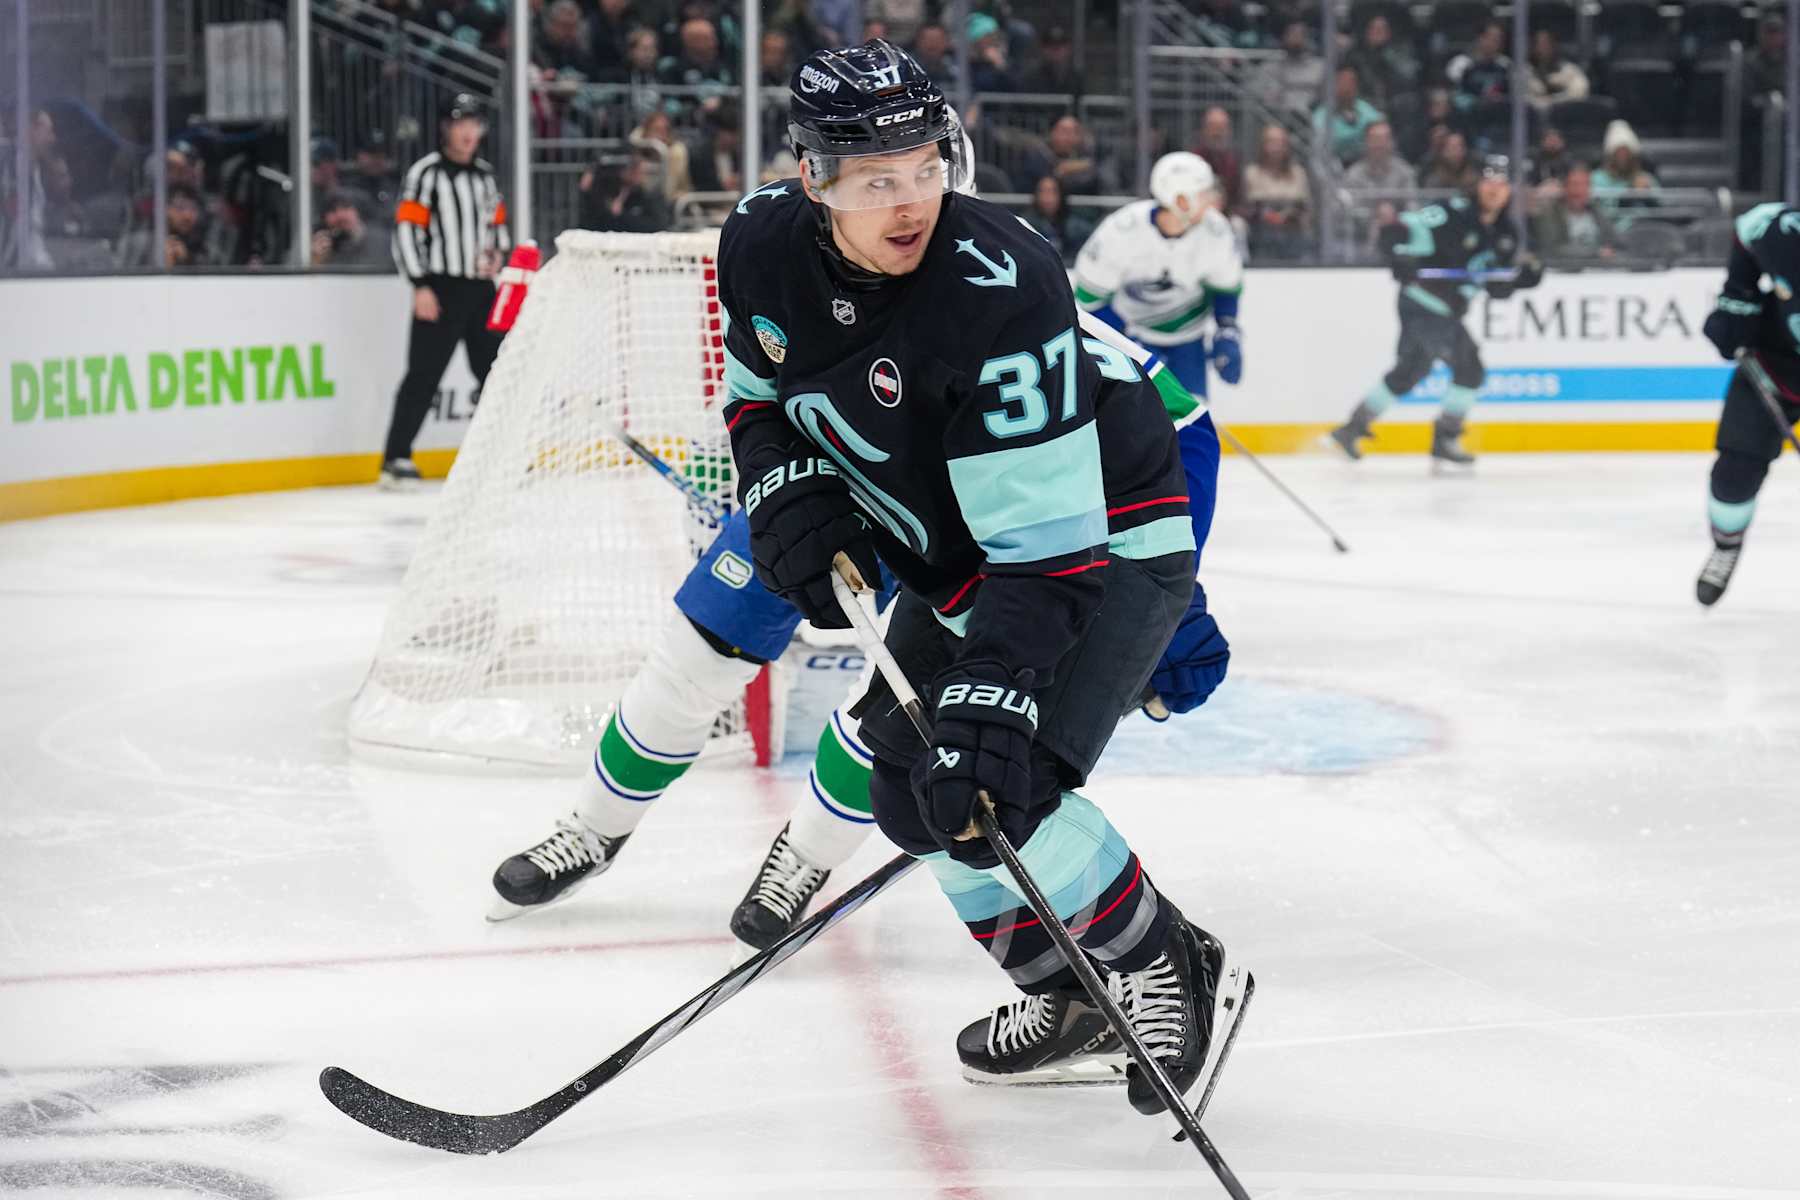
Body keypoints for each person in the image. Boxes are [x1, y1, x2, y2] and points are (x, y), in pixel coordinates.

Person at [490, 50, 1237, 1092]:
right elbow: (756, 399)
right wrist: (788, 482)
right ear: (813, 178)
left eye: (926, 167)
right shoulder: (757, 242)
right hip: (959, 550)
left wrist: (990, 700)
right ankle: (1064, 994)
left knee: (996, 787)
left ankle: (1171, 962)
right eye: (877, 178)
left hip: (1100, 543)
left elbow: (1051, 555)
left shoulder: (1002, 286)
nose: (911, 200)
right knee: (905, 788)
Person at [1328, 158, 1543, 467]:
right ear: (1478, 184)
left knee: (1413, 369)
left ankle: (1354, 427)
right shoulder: (1451, 211)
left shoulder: (1505, 232)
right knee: (1469, 368)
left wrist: (1520, 280)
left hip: (1448, 311)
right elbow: (1399, 228)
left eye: (1502, 184)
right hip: (1422, 303)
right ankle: (1445, 436)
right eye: (1488, 182)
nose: (1494, 190)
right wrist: (1399, 255)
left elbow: (1496, 286)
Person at [384, 93, 511, 489]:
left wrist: (496, 257)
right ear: (445, 128)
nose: (470, 132)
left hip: (480, 289)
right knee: (424, 374)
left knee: (497, 372)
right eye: (461, 124)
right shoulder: (426, 174)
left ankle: (498, 454)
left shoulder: (485, 176)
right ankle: (396, 457)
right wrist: (420, 284)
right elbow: (407, 231)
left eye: (475, 124)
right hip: (440, 287)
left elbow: (497, 229)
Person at [1074, 152, 1245, 409]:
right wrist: (1129, 343)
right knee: (1134, 421)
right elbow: (1089, 299)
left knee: (1190, 421)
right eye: (1204, 194)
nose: (1212, 201)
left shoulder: (1216, 231)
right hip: (1127, 336)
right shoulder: (1121, 231)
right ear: (1181, 200)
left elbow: (1225, 288)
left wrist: (1227, 331)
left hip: (1188, 339)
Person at [1692, 202, 1800, 605]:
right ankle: (1726, 544)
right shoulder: (1777, 230)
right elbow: (1748, 230)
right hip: (1773, 365)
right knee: (1733, 474)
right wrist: (1737, 300)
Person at [1242, 122, 1311, 259]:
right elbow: (1251, 206)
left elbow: (1303, 205)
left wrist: (1284, 216)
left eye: (1280, 143)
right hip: (1261, 232)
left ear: (1287, 146)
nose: (1276, 147)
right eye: (1271, 142)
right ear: (1262, 145)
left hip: (1292, 231)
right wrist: (1272, 216)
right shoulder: (1252, 173)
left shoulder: (1298, 173)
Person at [1530, 164, 1616, 259]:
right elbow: (1553, 249)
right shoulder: (1548, 214)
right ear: (1565, 188)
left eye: (1585, 185)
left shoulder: (1596, 213)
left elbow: (1615, 242)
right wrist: (1595, 253)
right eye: (1575, 184)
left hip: (1599, 270)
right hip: (1561, 270)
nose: (1579, 191)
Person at [578, 149, 673, 232]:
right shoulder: (605, 191)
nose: (638, 170)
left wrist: (623, 216)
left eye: (637, 165)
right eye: (631, 166)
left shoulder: (649, 194)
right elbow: (591, 223)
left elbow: (657, 226)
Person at [1252, 19, 1326, 119]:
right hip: (1277, 119)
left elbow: (1326, 97)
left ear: (1307, 39)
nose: (1296, 39)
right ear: (1284, 37)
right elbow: (1257, 94)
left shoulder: (1319, 67)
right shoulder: (1269, 67)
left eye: (1300, 35)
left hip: (1312, 118)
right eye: (1292, 34)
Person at [1314, 66, 1386, 165]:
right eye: (1343, 83)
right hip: (1333, 165)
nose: (1347, 88)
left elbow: (1379, 127)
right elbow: (1325, 146)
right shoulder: (1322, 115)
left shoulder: (1364, 108)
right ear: (1334, 86)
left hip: (1364, 164)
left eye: (1351, 83)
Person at [1020, 174, 1093, 264]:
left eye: (1052, 191)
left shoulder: (1076, 227)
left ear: (1061, 194)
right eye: (1042, 191)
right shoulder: (1026, 226)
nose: (1047, 198)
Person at [311, 190, 393, 268]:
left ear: (358, 212)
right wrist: (316, 261)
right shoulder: (319, 246)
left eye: (345, 207)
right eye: (332, 210)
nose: (340, 215)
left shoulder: (382, 242)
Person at [1189, 106, 1243, 219]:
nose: (1217, 132)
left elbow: (1237, 196)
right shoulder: (1194, 159)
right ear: (1204, 129)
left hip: (1227, 214)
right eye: (1213, 126)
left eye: (1222, 127)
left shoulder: (1234, 159)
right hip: (1197, 214)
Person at [1447, 22, 1511, 106]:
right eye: (1490, 37)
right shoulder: (1460, 63)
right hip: (1469, 113)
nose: (1493, 43)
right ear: (1480, 38)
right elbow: (1453, 96)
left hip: (1497, 113)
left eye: (1498, 39)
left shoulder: (1506, 65)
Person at [1526, 30, 1589, 109]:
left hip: (1563, 115)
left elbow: (1579, 94)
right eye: (1539, 44)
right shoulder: (1524, 71)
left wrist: (1553, 99)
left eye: (1546, 44)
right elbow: (1521, 98)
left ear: (1554, 45)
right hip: (1532, 117)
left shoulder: (1570, 70)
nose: (1542, 49)